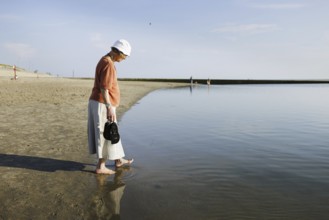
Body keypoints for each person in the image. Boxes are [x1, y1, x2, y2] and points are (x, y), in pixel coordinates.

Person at [88, 39, 134, 175]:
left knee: (112, 131)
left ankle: (118, 160)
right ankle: (101, 166)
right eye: (124, 56)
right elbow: (104, 88)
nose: (124, 59)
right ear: (117, 52)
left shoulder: (105, 61)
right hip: (102, 103)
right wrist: (109, 106)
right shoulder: (108, 64)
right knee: (104, 133)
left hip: (102, 102)